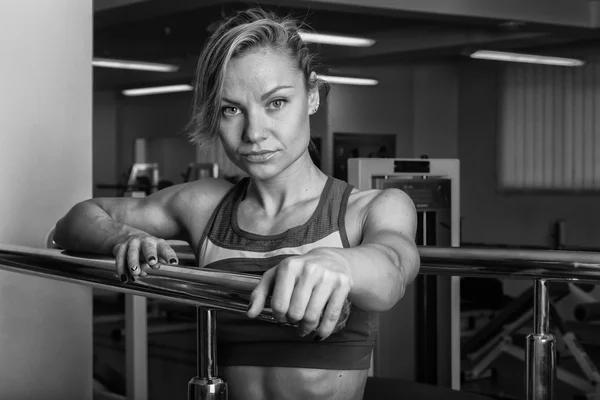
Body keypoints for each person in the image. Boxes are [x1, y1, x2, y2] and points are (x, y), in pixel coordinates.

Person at [54, 8, 420, 400]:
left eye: (276, 103)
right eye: (232, 109)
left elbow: (394, 271)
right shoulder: (206, 204)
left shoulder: (370, 208)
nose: (254, 133)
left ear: (312, 96)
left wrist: (339, 263)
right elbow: (71, 224)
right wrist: (122, 237)